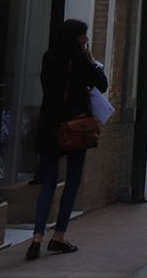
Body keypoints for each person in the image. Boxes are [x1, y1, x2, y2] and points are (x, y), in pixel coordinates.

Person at [27, 19, 107, 260]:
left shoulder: (48, 57)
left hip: (50, 124)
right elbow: (101, 85)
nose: (86, 41)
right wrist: (91, 60)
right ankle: (59, 235)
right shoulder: (81, 61)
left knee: (48, 184)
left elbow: (46, 86)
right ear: (77, 38)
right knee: (72, 181)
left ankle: (36, 237)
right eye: (84, 37)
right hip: (74, 126)